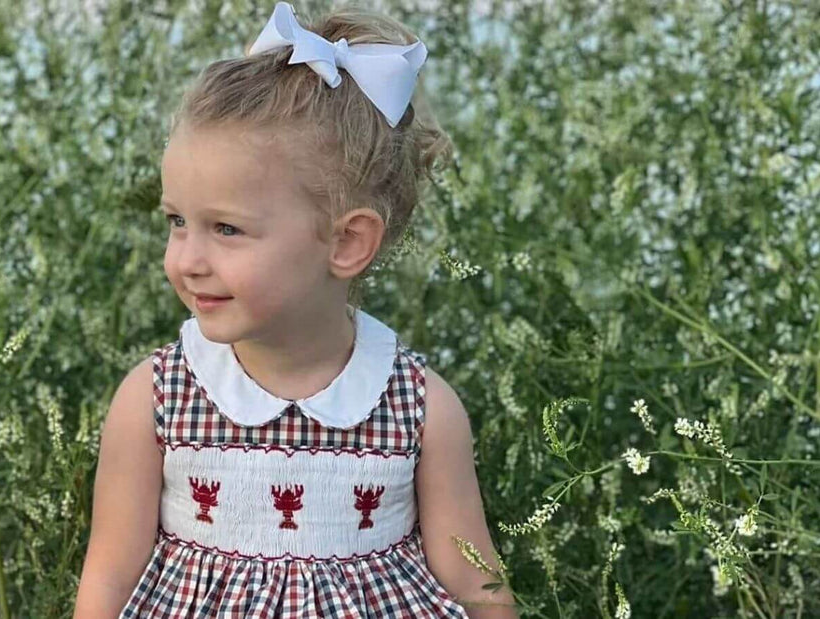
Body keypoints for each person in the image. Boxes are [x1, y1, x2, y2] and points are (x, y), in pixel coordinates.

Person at [75, 2, 517, 617]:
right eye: (178, 221)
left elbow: (476, 586)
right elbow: (109, 575)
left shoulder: (419, 408)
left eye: (226, 229)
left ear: (346, 242)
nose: (187, 259)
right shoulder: (156, 397)